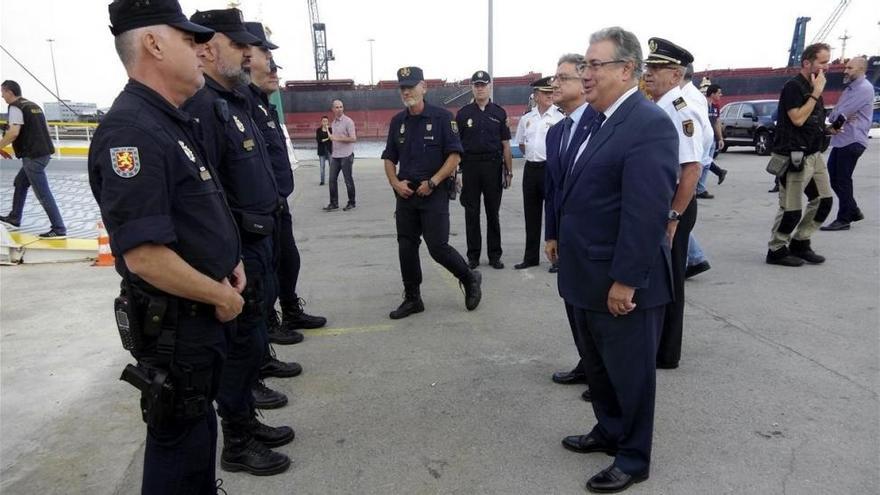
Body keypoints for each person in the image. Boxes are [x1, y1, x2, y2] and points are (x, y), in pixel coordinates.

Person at [88, 1, 244, 492]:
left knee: (197, 441)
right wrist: (221, 295)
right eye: (188, 40)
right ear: (153, 43)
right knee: (178, 449)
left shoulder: (169, 121)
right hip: (179, 329)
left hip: (197, 324)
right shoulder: (132, 131)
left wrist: (229, 259)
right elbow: (146, 256)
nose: (200, 50)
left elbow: (192, 215)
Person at [558, 27, 677, 493]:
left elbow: (646, 213)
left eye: (593, 65)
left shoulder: (648, 124)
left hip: (621, 280)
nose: (585, 75)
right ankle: (608, 430)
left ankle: (633, 456)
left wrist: (626, 280)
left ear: (626, 70)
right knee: (599, 366)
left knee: (630, 374)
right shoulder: (597, 119)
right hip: (585, 273)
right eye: (584, 66)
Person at [184, 8, 291, 476]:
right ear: (208, 47)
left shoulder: (236, 101)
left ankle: (247, 417)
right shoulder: (205, 106)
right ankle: (238, 440)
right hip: (240, 249)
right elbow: (208, 191)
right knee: (240, 344)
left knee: (251, 340)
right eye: (239, 45)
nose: (249, 53)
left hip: (259, 240)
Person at [241, 22, 325, 363]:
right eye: (267, 56)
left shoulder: (263, 103)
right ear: (247, 57)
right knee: (268, 268)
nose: (274, 68)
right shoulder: (243, 102)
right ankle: (271, 321)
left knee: (288, 259)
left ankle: (289, 309)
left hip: (277, 200)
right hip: (261, 205)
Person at [381, 66, 482, 320]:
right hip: (406, 195)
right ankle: (413, 298)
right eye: (403, 88)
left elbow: (454, 155)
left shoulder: (442, 118)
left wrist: (434, 182)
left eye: (411, 87)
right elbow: (389, 158)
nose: (407, 92)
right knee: (406, 246)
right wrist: (395, 183)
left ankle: (469, 278)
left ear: (423, 87)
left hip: (433, 192)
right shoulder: (397, 122)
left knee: (437, 247)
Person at [643, 38, 703, 370]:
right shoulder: (659, 106)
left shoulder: (682, 112)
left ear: (675, 73)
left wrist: (673, 216)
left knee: (671, 280)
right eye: (648, 67)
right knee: (660, 278)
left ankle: (666, 353)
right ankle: (659, 348)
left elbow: (691, 169)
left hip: (674, 206)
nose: (648, 73)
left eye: (656, 68)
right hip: (663, 204)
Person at [544, 53, 597, 403]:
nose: (555, 84)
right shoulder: (555, 132)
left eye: (563, 78)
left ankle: (601, 374)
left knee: (593, 308)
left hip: (592, 237)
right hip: (565, 234)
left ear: (584, 82)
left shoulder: (601, 125)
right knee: (572, 301)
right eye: (555, 77)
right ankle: (586, 362)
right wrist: (551, 233)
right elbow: (553, 188)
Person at [765, 43, 834, 267]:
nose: (828, 66)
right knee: (791, 209)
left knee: (824, 201)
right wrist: (815, 93)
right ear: (807, 62)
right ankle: (776, 249)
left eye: (828, 61)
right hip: (795, 156)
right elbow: (797, 119)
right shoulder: (793, 87)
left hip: (814, 154)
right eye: (823, 62)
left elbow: (811, 120)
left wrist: (828, 129)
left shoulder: (816, 85)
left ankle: (801, 242)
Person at [455, 71, 513, 269]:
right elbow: (456, 147)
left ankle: (495, 255)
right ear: (472, 87)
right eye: (476, 84)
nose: (480, 88)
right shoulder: (463, 114)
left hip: (492, 166)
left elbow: (505, 144)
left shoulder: (499, 112)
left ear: (490, 87)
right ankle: (473, 256)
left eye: (483, 84)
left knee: (492, 213)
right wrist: (458, 173)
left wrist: (509, 171)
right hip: (470, 167)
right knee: (471, 213)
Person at [0, 80, 67, 238]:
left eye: (2, 92)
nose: (2, 96)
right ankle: (15, 217)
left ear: (9, 92)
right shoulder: (33, 105)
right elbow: (36, 128)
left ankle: (59, 228)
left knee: (43, 193)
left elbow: (14, 133)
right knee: (20, 182)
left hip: (33, 156)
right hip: (44, 152)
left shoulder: (15, 106)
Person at [512, 76, 563, 269]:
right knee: (531, 215)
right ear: (535, 95)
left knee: (553, 213)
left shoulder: (559, 116)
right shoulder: (527, 118)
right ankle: (530, 257)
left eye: (551, 92)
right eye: (545, 93)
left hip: (550, 169)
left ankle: (557, 259)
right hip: (531, 169)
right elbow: (522, 144)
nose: (550, 96)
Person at [820, 56, 873, 231]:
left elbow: (841, 113)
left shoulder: (864, 89)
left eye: (850, 68)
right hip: (842, 140)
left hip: (853, 139)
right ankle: (853, 210)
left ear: (861, 69)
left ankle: (844, 219)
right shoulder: (850, 89)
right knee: (835, 178)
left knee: (842, 179)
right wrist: (837, 115)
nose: (845, 70)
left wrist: (837, 115)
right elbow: (836, 115)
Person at [324, 99, 357, 211]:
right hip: (336, 155)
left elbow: (353, 138)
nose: (339, 109)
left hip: (346, 155)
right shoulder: (333, 123)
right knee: (332, 180)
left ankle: (351, 202)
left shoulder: (349, 122)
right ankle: (334, 203)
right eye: (337, 107)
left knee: (348, 179)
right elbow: (333, 140)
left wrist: (336, 138)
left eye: (341, 107)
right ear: (332, 109)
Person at [316, 115, 332, 185]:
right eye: (323, 121)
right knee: (322, 167)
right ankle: (322, 181)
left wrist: (327, 130)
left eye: (326, 121)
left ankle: (332, 180)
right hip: (321, 151)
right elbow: (319, 140)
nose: (325, 122)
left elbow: (332, 139)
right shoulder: (318, 130)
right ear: (321, 122)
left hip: (329, 150)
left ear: (328, 122)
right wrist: (327, 139)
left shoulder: (331, 129)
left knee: (331, 166)